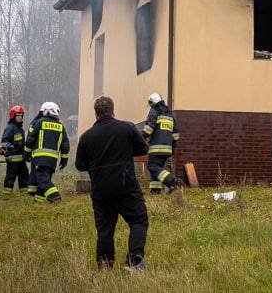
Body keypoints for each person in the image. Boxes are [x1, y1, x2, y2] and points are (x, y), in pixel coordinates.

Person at [76, 96, 150, 272]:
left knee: (105, 231)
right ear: (113, 111)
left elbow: (80, 165)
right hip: (126, 187)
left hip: (101, 190)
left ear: (96, 114)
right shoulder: (127, 128)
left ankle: (104, 267)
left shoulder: (86, 137)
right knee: (139, 221)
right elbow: (143, 149)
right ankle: (134, 263)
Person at [24, 102, 70, 203]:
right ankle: (39, 201)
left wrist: (26, 153)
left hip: (40, 158)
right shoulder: (60, 126)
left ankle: (54, 196)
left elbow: (30, 139)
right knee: (45, 177)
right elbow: (65, 144)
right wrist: (64, 159)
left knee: (42, 179)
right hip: (52, 160)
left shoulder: (39, 123)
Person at [142, 92, 180, 194]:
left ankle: (170, 180)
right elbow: (176, 134)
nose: (150, 106)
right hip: (167, 149)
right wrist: (173, 148)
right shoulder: (169, 114)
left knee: (152, 166)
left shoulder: (154, 111)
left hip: (156, 148)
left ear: (153, 102)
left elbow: (149, 129)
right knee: (157, 169)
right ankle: (155, 190)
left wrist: (141, 137)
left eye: (150, 103)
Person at [0, 105, 28, 194]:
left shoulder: (20, 128)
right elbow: (4, 143)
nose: (20, 117)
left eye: (21, 115)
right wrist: (14, 147)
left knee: (24, 176)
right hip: (13, 158)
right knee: (10, 177)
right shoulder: (10, 128)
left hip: (21, 159)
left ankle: (24, 193)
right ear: (13, 116)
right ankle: (7, 193)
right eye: (18, 115)